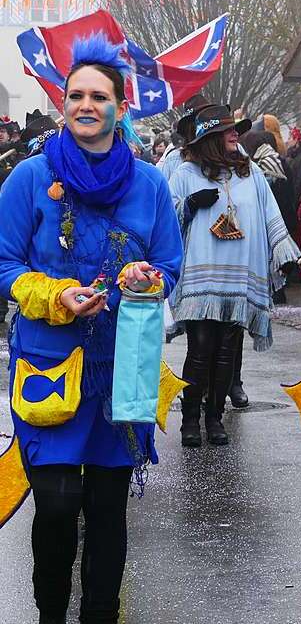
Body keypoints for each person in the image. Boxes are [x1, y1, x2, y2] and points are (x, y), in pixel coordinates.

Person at [0, 34, 183, 624]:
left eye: (98, 96)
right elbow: (5, 266)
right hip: (48, 366)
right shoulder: (28, 179)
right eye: (74, 94)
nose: (84, 104)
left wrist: (143, 278)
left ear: (120, 108)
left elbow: (170, 267)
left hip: (119, 370)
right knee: (56, 506)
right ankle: (50, 614)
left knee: (107, 508)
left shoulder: (151, 185)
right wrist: (56, 295)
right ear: (63, 104)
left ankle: (99, 615)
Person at [169, 99, 300, 447]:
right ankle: (190, 420)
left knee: (227, 350)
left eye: (233, 130)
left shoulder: (249, 172)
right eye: (226, 131)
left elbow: (268, 212)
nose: (234, 135)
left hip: (238, 275)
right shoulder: (185, 174)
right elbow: (166, 222)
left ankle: (215, 418)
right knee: (200, 349)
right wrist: (189, 206)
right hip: (201, 276)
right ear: (209, 138)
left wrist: (282, 251)